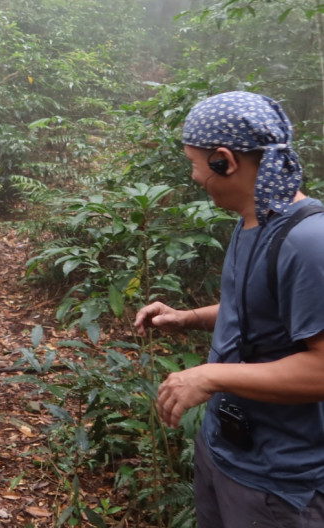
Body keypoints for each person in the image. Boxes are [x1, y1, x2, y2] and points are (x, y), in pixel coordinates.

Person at [134, 91, 324, 527]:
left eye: (195, 163)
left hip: (277, 482)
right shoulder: (251, 220)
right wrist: (188, 318)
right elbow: (262, 309)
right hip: (224, 451)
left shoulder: (308, 242)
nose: (195, 176)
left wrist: (209, 375)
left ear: (225, 160)